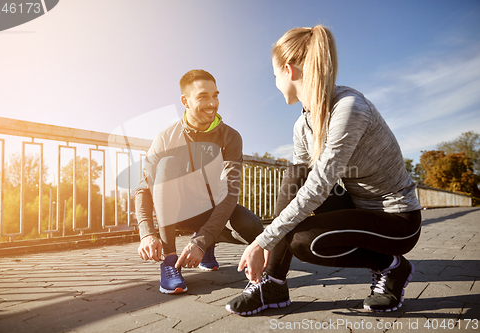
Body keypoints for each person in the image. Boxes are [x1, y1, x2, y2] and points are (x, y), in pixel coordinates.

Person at [226, 25, 421, 315]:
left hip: (396, 221)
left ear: (289, 71)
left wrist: (261, 240)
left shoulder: (349, 108)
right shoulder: (302, 125)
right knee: (293, 176)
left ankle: (393, 267)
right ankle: (273, 284)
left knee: (304, 242)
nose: (276, 82)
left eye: (274, 75)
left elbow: (319, 187)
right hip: (356, 206)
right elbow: (301, 185)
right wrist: (271, 237)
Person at [135, 69, 263, 294]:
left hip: (212, 209)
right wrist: (146, 232)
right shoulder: (166, 137)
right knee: (167, 164)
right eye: (203, 96)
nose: (213, 103)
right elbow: (143, 188)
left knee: (253, 227)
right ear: (185, 101)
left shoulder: (231, 137)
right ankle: (170, 261)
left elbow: (231, 193)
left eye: (215, 95)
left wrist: (201, 241)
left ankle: (207, 244)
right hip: (177, 211)